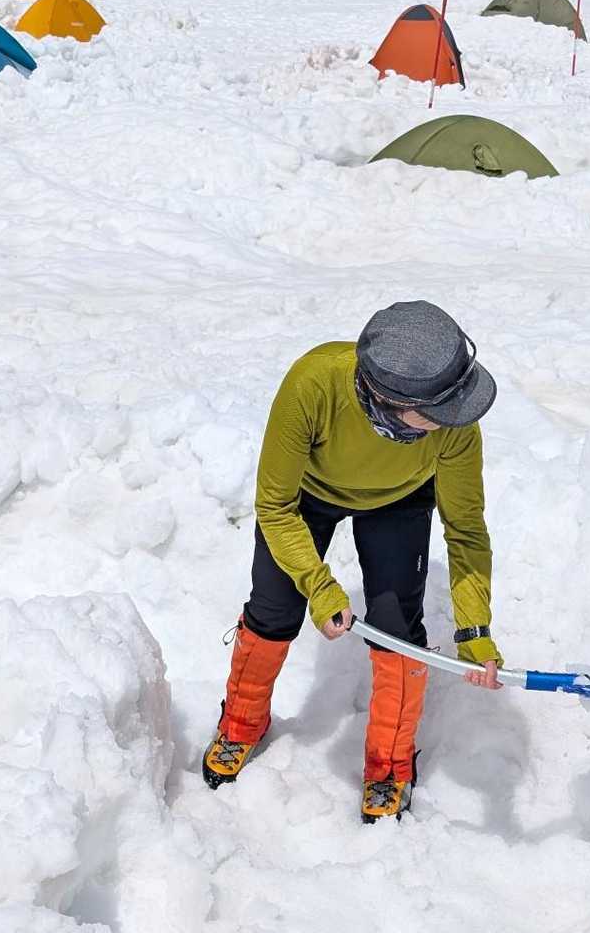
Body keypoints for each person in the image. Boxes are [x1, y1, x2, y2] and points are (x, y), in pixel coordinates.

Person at [202, 300, 503, 822]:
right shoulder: (314, 384)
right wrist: (320, 588)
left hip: (399, 500)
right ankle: (242, 723)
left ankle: (389, 766)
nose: (451, 422)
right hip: (306, 497)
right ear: (389, 401)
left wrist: (474, 629)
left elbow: (466, 528)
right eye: (435, 416)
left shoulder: (453, 418)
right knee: (274, 609)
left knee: (397, 631)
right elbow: (274, 506)